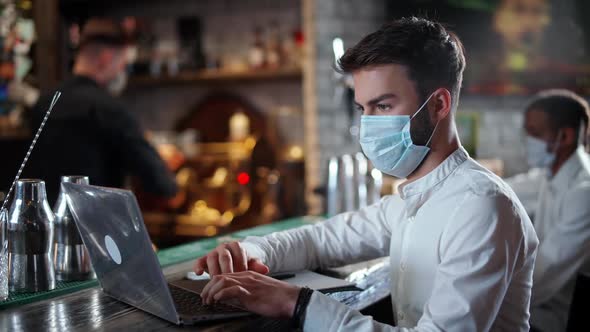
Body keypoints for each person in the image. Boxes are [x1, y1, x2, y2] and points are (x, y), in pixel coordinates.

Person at [193, 17, 538, 331]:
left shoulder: (481, 207)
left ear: (438, 105)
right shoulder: (413, 199)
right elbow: (320, 240)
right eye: (363, 108)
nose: (368, 125)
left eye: (383, 106)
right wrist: (249, 251)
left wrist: (295, 303)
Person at [25, 18, 178, 204]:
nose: (123, 71)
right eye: (123, 63)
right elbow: (161, 184)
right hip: (95, 228)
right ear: (105, 59)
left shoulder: (44, 103)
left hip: (49, 225)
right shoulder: (110, 109)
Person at [506, 89, 590, 332]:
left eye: (534, 134)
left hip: (559, 316)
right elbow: (503, 190)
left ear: (564, 136)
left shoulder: (584, 192)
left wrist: (489, 297)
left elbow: (547, 269)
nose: (527, 141)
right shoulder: (548, 175)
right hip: (537, 305)